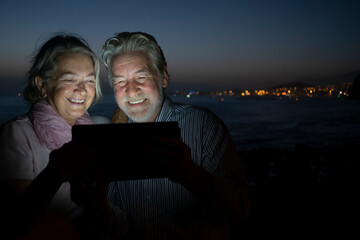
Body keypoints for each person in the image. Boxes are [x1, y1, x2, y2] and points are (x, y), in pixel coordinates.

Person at [101, 32, 250, 239]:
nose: (131, 90)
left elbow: (241, 209)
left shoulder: (203, 125)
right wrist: (94, 204)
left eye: (141, 77)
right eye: (119, 82)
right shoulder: (112, 140)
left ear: (163, 77)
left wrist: (192, 176)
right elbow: (118, 221)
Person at [0, 34, 107, 239]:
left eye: (89, 80)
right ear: (42, 85)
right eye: (69, 79)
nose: (82, 89)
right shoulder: (17, 134)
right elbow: (15, 222)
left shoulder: (94, 131)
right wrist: (54, 174)